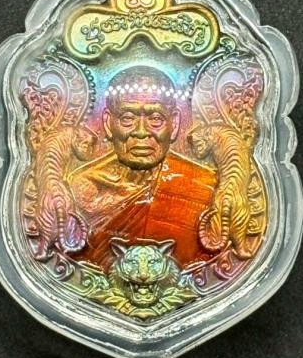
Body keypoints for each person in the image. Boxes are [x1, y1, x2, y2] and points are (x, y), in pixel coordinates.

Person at [69, 66, 216, 269]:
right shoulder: (81, 187)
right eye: (127, 118)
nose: (140, 132)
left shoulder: (203, 185)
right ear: (108, 123)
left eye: (155, 119)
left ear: (174, 123)